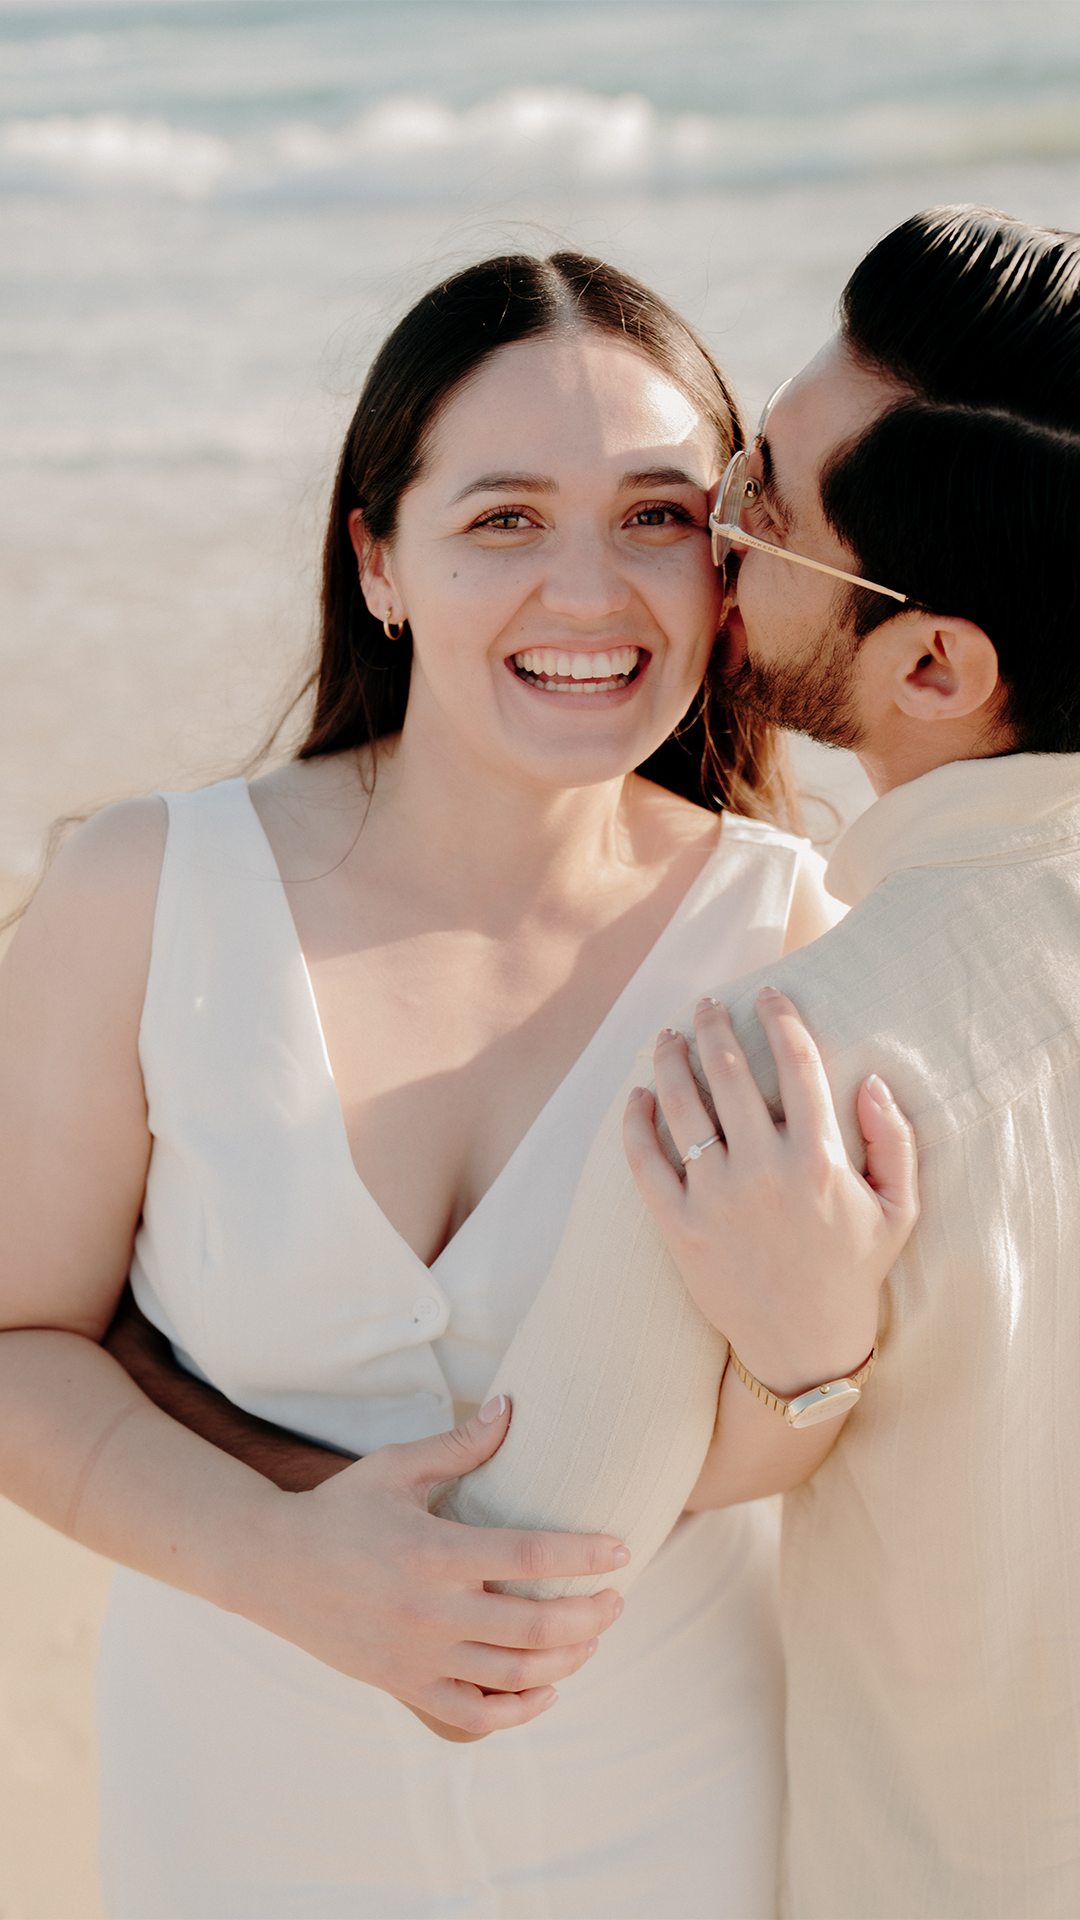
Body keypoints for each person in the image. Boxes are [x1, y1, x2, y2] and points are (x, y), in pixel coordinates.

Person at [0, 253, 917, 1920]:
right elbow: (16, 1342)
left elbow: (824, 1425)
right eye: (505, 520)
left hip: (673, 1803)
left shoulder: (795, 933)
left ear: (727, 563)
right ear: (379, 559)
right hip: (236, 1809)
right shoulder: (147, 892)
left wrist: (819, 1361)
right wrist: (273, 1557)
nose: (590, 591)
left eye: (655, 517)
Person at [457, 206, 1080, 1920]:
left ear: (935, 663)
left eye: (766, 507)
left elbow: (513, 1570)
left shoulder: (786, 1078)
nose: (712, 534)